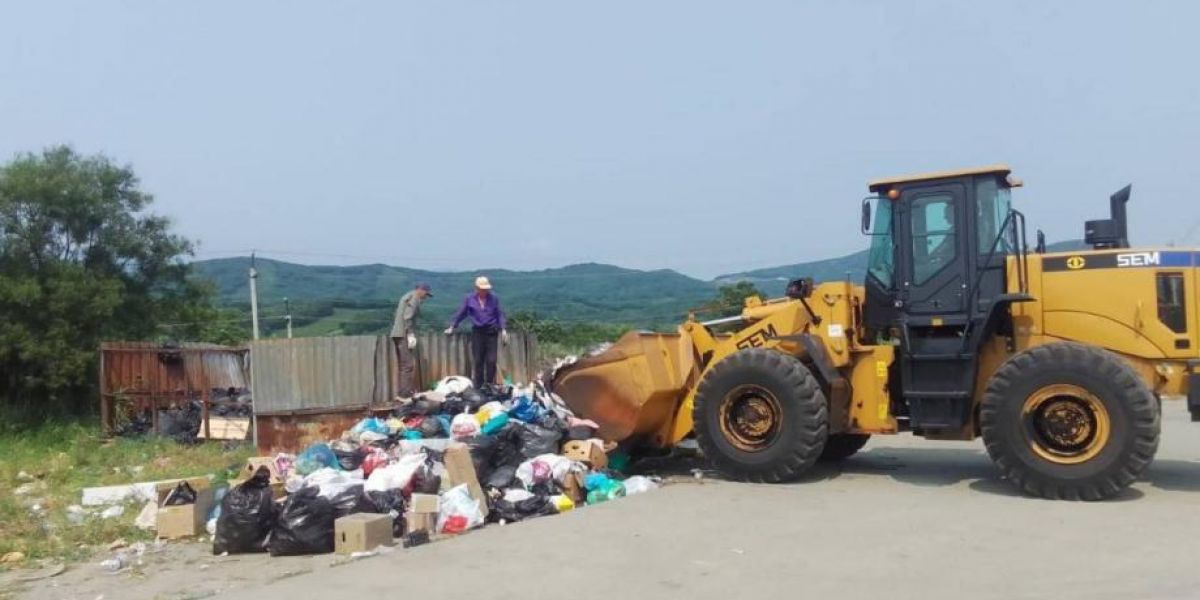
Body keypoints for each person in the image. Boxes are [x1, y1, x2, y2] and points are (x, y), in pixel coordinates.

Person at [445, 276, 508, 387]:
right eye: (482, 289)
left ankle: (489, 384)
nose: (485, 291)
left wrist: (503, 329)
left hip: (491, 332)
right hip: (478, 332)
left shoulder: (494, 299)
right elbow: (461, 313)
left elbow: (500, 314)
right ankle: (478, 385)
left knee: (491, 360)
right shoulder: (469, 299)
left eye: (486, 289)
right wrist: (452, 326)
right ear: (477, 288)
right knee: (478, 360)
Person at [391, 282, 432, 400]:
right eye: (426, 294)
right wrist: (410, 334)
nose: (425, 297)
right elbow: (407, 317)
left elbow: (397, 315)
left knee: (404, 365)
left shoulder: (406, 296)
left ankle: (403, 392)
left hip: (397, 333)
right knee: (408, 365)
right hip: (403, 334)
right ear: (421, 290)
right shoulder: (414, 297)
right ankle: (404, 394)